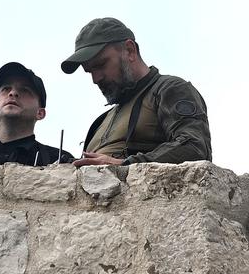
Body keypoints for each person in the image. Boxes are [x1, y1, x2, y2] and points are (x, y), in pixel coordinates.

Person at [60, 17, 211, 166]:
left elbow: (195, 147)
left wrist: (125, 164)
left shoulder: (168, 89)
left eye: (101, 64)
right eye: (89, 71)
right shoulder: (102, 120)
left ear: (129, 50)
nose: (96, 78)